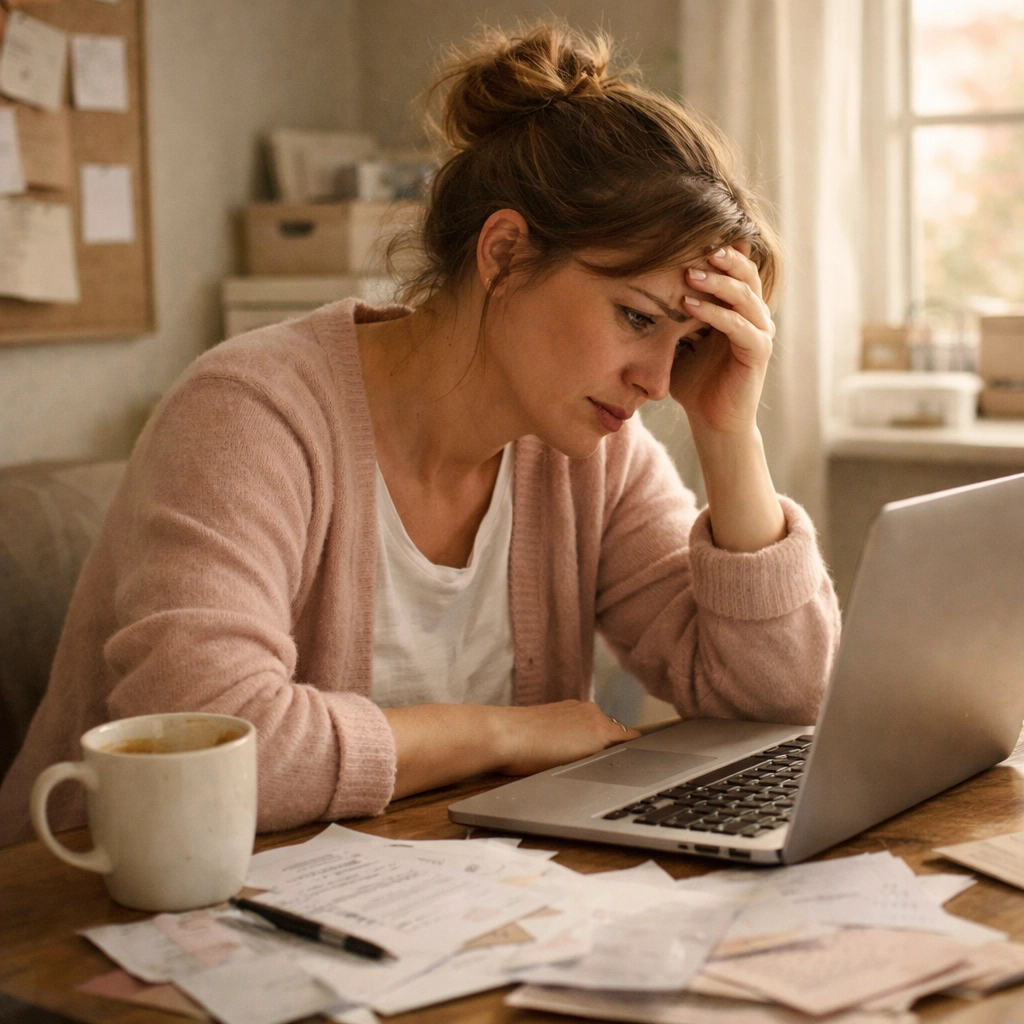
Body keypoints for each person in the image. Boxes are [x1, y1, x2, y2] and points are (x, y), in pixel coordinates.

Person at [0, 21, 841, 847]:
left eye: (687, 343)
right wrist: (505, 734)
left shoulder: (597, 455)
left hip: (431, 914)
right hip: (101, 929)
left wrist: (729, 435)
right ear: (505, 255)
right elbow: (219, 749)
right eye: (635, 317)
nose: (659, 382)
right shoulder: (250, 415)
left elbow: (779, 708)